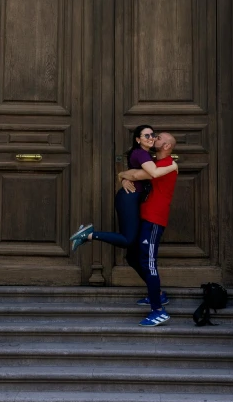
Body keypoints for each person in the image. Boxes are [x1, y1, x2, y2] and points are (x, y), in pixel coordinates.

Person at [69, 126, 177, 279]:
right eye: (146, 135)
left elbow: (135, 173)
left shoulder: (147, 156)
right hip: (129, 198)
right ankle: (88, 234)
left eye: (153, 135)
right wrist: (173, 166)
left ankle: (156, 292)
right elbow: (152, 173)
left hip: (135, 198)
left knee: (133, 255)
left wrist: (123, 176)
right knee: (128, 240)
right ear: (138, 139)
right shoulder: (142, 154)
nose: (151, 137)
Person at [118, 132, 178, 327]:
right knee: (133, 257)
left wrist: (123, 175)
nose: (154, 139)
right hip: (145, 217)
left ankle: (158, 311)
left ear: (167, 146)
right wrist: (122, 177)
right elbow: (132, 174)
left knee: (148, 262)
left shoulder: (166, 166)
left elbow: (135, 174)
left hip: (154, 220)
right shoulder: (153, 162)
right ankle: (158, 295)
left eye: (159, 138)